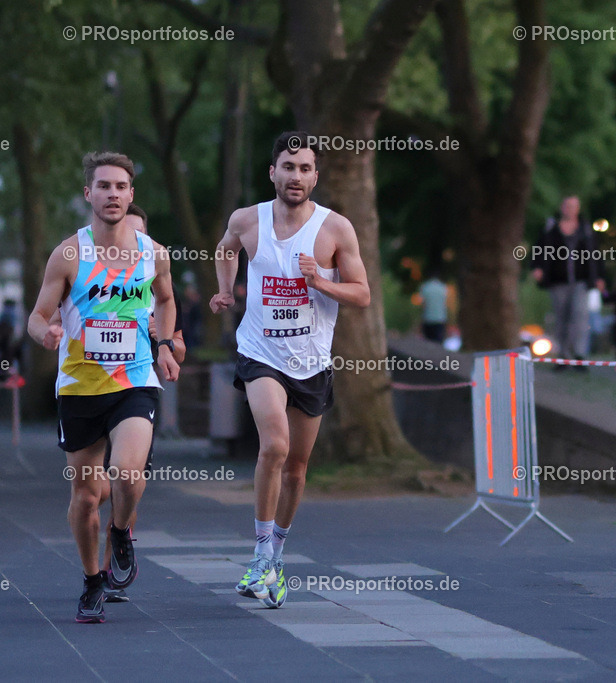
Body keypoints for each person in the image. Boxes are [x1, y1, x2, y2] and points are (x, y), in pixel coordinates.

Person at [210, 131, 370, 608]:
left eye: (304, 168)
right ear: (273, 172)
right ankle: (260, 552)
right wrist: (226, 289)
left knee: (297, 468)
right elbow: (225, 248)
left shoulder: (335, 228)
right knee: (275, 445)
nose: (295, 176)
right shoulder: (247, 219)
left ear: (315, 176)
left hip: (312, 361)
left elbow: (362, 293)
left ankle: (275, 556)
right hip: (260, 353)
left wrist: (320, 281)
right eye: (287, 166)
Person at [28, 152, 180, 623]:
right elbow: (37, 316)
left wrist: (164, 345)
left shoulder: (154, 253)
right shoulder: (68, 254)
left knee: (127, 473)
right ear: (88, 194)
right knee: (85, 495)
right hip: (80, 386)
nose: (112, 194)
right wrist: (46, 333)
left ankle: (119, 530)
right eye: (103, 186)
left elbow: (167, 300)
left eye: (120, 186)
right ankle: (93, 580)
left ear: (131, 194)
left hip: (135, 379)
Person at [97, 203, 186, 603]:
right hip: (89, 390)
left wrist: (162, 340)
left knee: (125, 480)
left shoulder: (153, 279)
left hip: (136, 392)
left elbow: (178, 346)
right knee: (94, 491)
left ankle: (108, 568)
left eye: (136, 235)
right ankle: (98, 567)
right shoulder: (86, 270)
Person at [530, 196, 604, 369]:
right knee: (561, 317)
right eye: (567, 206)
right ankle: (563, 356)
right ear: (562, 207)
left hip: (581, 280)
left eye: (573, 206)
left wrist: (599, 276)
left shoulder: (586, 229)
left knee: (580, 315)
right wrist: (538, 267)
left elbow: (596, 253)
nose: (569, 209)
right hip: (558, 280)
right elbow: (539, 248)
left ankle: (579, 355)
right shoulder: (551, 229)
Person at [418, 268, 449, 344]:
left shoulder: (425, 287)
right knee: (438, 342)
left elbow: (423, 304)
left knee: (428, 343)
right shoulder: (443, 287)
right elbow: (444, 304)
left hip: (428, 318)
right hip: (440, 318)